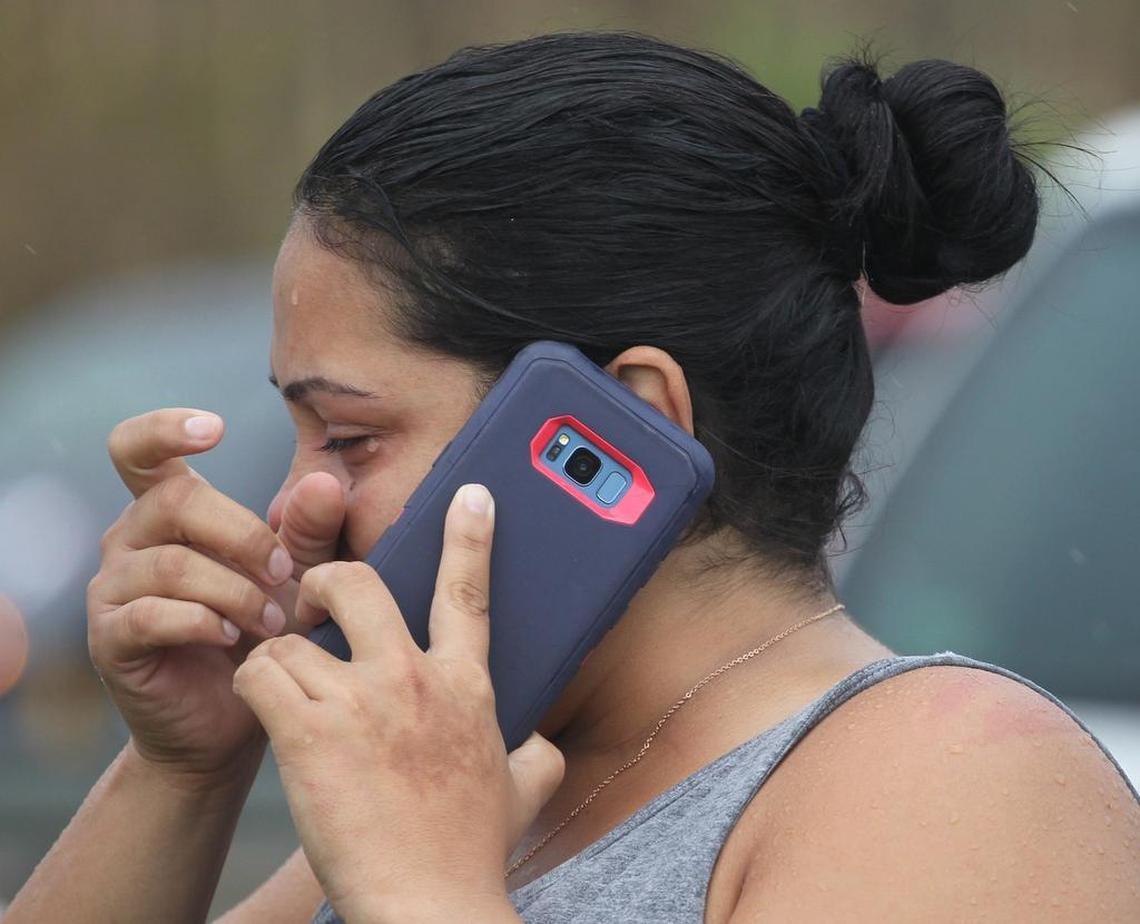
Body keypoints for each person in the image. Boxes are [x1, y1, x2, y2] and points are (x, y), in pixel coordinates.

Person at [8, 31, 1139, 923]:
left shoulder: (958, 780)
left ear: (623, 431)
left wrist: (425, 896)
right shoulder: (480, 789)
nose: (292, 509)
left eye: (350, 440)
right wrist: (183, 774)